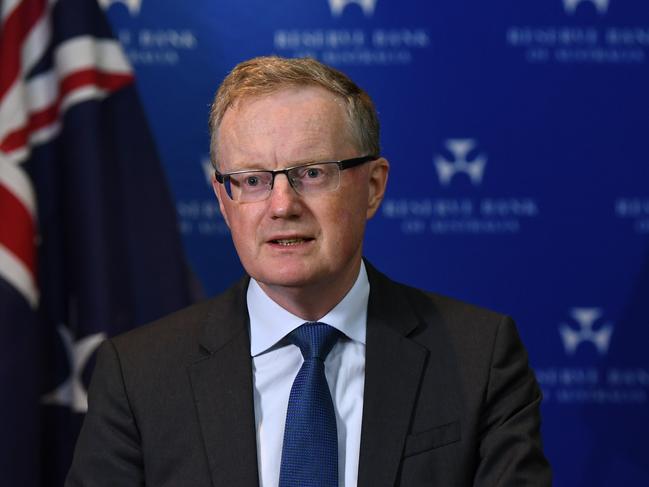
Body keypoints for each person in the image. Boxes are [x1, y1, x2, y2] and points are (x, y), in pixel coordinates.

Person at [66, 56, 551, 486]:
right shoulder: (138, 375)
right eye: (252, 180)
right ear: (223, 200)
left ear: (374, 187)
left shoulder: (479, 357)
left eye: (313, 173)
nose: (282, 205)